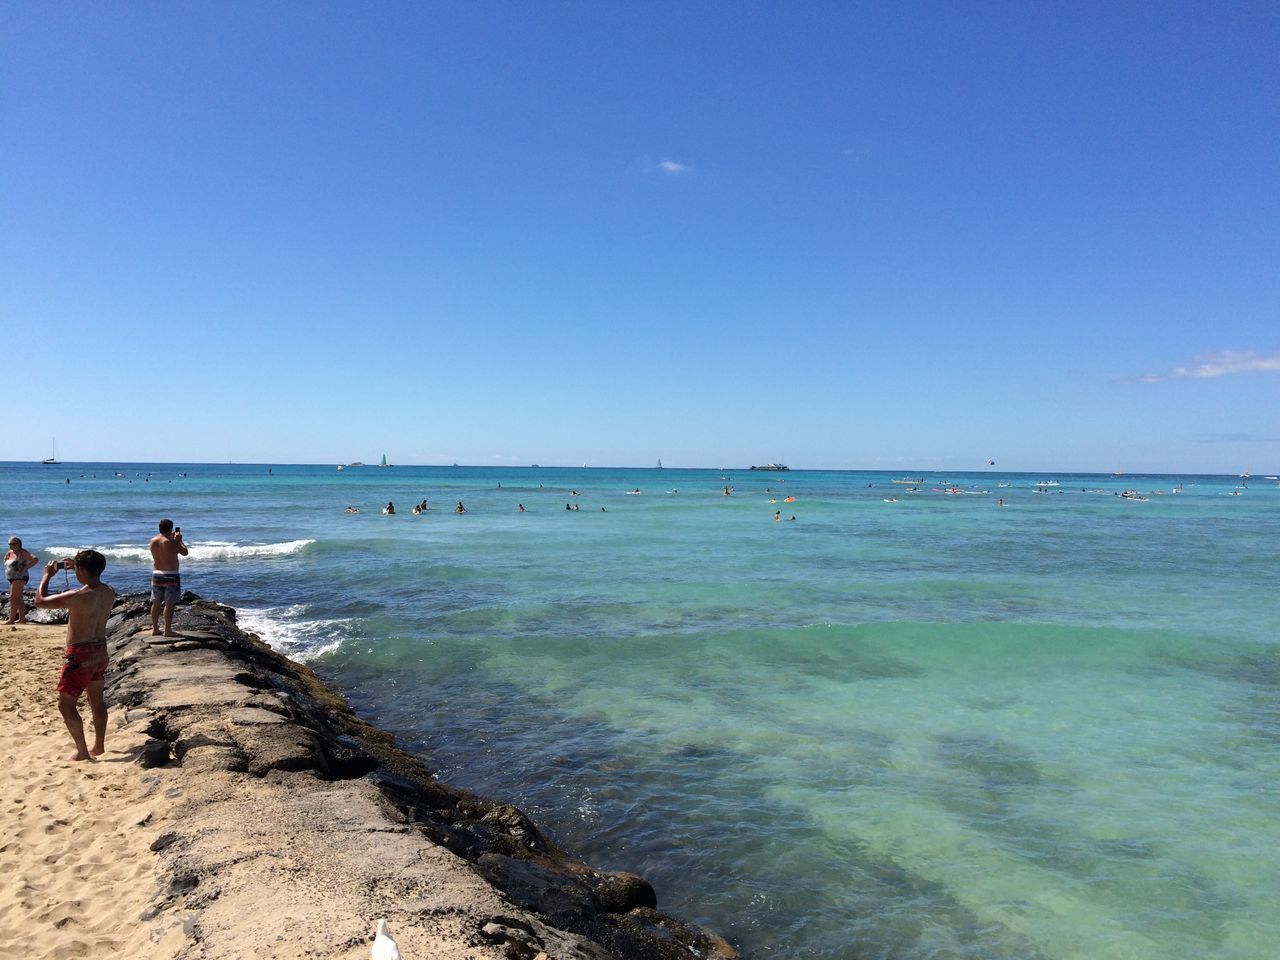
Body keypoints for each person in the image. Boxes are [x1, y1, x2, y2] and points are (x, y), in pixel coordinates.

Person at [34, 550, 115, 761]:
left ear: (81, 570)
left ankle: (82, 752)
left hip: (80, 653)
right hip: (100, 649)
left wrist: (46, 576)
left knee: (65, 704)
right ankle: (99, 745)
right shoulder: (109, 592)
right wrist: (78, 566)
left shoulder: (77, 597)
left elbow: (40, 601)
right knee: (96, 700)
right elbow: (91, 584)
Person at [149, 519, 188, 637]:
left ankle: (155, 628)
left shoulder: (153, 541)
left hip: (156, 574)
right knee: (169, 604)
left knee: (156, 603)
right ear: (171, 529)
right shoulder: (172, 542)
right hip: (171, 575)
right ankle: (167, 630)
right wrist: (180, 540)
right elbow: (185, 552)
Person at [5, 536, 40, 624]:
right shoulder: (9, 553)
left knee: (12, 597)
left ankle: (11, 619)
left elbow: (35, 559)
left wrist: (26, 568)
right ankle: (22, 619)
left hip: (20, 577)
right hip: (11, 578)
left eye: (13, 544)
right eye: (10, 544)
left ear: (19, 544)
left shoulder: (22, 552)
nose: (11, 545)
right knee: (19, 598)